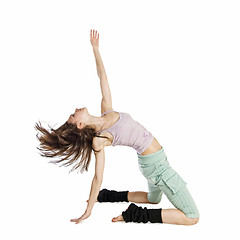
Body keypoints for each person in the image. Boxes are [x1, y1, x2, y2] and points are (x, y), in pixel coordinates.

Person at [35, 29, 199, 225]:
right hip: (158, 168)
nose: (75, 110)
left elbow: (102, 76)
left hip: (151, 163)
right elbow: (98, 176)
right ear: (80, 124)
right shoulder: (100, 139)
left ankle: (108, 197)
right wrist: (88, 210)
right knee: (192, 217)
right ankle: (134, 215)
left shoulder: (106, 111)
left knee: (153, 198)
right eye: (73, 115)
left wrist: (95, 48)